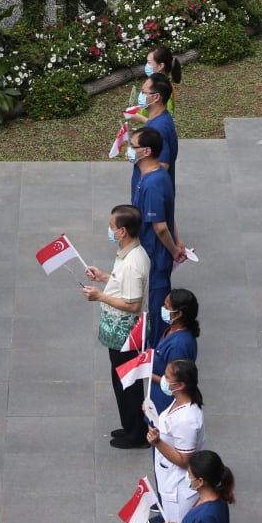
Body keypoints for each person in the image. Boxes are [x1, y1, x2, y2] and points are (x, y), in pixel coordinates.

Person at [83, 205, 150, 449]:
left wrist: (100, 296)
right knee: (120, 379)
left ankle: (136, 433)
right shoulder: (126, 253)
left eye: (112, 226)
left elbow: (132, 304)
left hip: (126, 334)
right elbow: (122, 285)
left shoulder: (133, 261)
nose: (109, 230)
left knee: (128, 383)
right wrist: (103, 277)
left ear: (122, 231)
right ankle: (130, 425)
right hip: (118, 333)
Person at [129, 127, 186, 348]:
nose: (130, 151)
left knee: (156, 306)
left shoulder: (153, 183)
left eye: (133, 147)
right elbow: (168, 214)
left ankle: (155, 352)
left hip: (155, 254)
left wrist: (173, 250)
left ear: (146, 151)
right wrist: (178, 238)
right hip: (148, 251)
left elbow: (160, 226)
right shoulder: (147, 174)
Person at [147, 359, 205, 523]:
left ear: (179, 385)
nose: (163, 380)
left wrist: (157, 442)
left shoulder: (187, 420)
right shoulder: (178, 400)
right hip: (169, 480)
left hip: (178, 490)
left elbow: (184, 460)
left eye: (167, 377)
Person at [162, 450, 234, 523]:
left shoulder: (206, 518)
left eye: (189, 474)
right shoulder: (217, 499)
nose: (187, 477)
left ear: (200, 481)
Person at [150, 289, 199, 415]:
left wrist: (145, 371)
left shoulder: (178, 346)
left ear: (178, 313)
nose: (163, 308)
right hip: (156, 399)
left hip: (166, 405)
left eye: (166, 306)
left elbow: (171, 384)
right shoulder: (173, 330)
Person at [129, 73, 180, 193]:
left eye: (144, 92)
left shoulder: (158, 129)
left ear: (156, 97)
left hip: (150, 194)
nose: (140, 96)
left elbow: (162, 164)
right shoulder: (159, 120)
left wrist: (136, 155)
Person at [132, 45, 183, 120]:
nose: (147, 66)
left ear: (160, 66)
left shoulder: (165, 90)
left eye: (149, 63)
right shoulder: (153, 81)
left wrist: (140, 118)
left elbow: (164, 120)